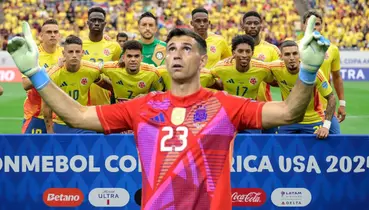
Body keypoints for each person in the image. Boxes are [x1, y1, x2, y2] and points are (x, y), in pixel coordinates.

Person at [8, 16, 329, 209]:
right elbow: (77, 115)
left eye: (186, 48)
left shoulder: (225, 105)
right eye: (171, 49)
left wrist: (309, 69)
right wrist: (37, 73)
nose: (176, 54)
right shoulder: (144, 108)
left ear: (203, 61)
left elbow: (289, 112)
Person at [43, 35, 112, 134]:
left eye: (77, 52)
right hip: (61, 123)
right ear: (63, 53)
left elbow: (106, 82)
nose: (74, 55)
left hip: (83, 122)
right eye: (70, 52)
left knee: (90, 149)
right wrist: (49, 131)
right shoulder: (53, 75)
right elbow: (46, 106)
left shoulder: (92, 70)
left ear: (82, 53)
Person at [269, 40, 337, 138]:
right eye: (287, 54)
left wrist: (326, 127)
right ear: (281, 56)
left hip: (313, 120)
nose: (292, 58)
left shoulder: (313, 72)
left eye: (295, 53)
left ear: (300, 55)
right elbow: (258, 68)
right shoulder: (274, 67)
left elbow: (331, 98)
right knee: (278, 148)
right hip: (288, 119)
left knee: (317, 150)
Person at [210, 35, 275, 133]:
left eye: (248, 51)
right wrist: (217, 85)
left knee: (252, 143)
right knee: (227, 145)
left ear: (252, 53)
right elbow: (208, 76)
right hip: (229, 112)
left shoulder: (262, 68)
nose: (244, 55)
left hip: (250, 112)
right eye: (240, 51)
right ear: (233, 53)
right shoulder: (221, 67)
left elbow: (275, 80)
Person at [301, 10, 345, 134]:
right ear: (303, 26)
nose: (314, 27)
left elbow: (336, 77)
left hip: (326, 107)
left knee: (336, 142)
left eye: (318, 24)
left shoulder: (332, 49)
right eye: (310, 23)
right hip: (303, 109)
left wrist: (342, 103)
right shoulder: (295, 49)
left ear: (322, 26)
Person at [240, 11, 281, 134]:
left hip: (266, 107)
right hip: (244, 108)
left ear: (261, 26)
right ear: (243, 26)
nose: (252, 26)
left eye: (256, 23)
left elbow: (279, 81)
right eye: (249, 23)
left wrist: (261, 70)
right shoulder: (235, 49)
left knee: (270, 146)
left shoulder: (272, 50)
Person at [21, 19, 63, 134]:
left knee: (57, 151)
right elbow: (25, 84)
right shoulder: (32, 55)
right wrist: (54, 68)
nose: (53, 35)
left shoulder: (65, 54)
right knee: (31, 151)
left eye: (55, 32)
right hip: (35, 115)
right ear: (41, 36)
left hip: (59, 116)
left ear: (59, 35)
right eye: (49, 32)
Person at [83, 6, 122, 106]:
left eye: (100, 20)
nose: (96, 23)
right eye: (93, 20)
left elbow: (118, 72)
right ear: (87, 23)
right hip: (81, 101)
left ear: (104, 24)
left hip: (104, 101)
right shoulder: (79, 45)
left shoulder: (114, 47)